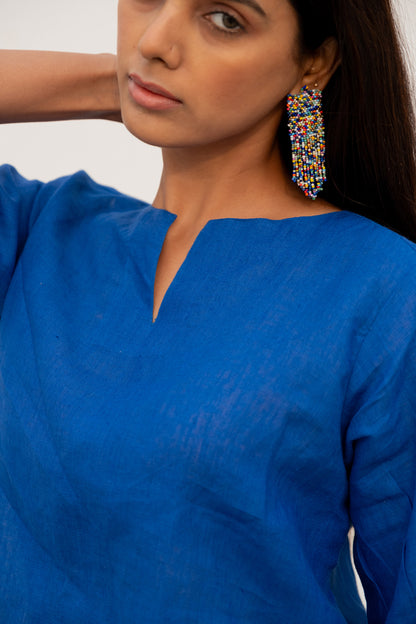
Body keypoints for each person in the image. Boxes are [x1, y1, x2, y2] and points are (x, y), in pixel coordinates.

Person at [0, 0, 415, 622]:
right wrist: (113, 81)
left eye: (224, 19)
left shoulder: (384, 288)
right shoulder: (38, 231)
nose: (156, 41)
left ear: (314, 64)